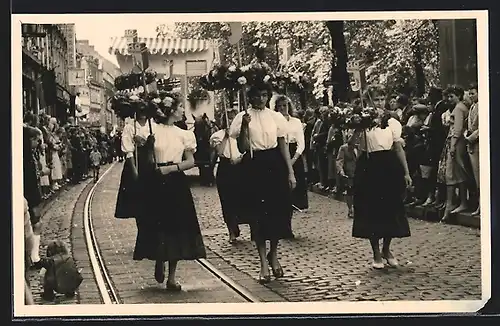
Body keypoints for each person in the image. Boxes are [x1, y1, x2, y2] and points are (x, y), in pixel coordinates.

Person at [133, 94, 206, 291]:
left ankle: (172, 277)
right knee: (158, 223)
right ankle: (159, 258)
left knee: (176, 226)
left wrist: (171, 169)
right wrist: (143, 145)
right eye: (180, 107)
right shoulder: (152, 130)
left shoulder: (184, 134)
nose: (183, 111)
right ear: (171, 110)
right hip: (155, 181)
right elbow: (144, 158)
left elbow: (190, 161)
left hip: (175, 182)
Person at [229, 83, 296, 283]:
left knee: (277, 213)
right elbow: (242, 146)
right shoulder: (243, 117)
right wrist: (244, 127)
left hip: (274, 165)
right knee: (258, 215)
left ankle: (273, 254)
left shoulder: (275, 117)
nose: (261, 99)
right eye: (257, 96)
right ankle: (262, 262)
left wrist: (290, 172)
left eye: (264, 95)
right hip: (254, 165)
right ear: (250, 97)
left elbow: (283, 145)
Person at [352, 85, 412, 269]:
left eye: (381, 99)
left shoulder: (391, 121)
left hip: (388, 165)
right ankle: (376, 252)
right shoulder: (362, 122)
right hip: (369, 166)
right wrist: (359, 127)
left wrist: (406, 172)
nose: (378, 103)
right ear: (368, 101)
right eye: (375, 99)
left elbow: (398, 147)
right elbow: (352, 144)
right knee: (372, 210)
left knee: (391, 208)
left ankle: (387, 248)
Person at [210, 107, 244, 243]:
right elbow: (219, 152)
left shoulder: (242, 134)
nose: (231, 121)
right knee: (227, 200)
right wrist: (226, 135)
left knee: (242, 199)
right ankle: (231, 229)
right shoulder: (217, 135)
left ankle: (241, 222)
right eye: (228, 118)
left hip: (241, 166)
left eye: (233, 118)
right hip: (226, 167)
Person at [114, 110, 151, 222]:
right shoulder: (130, 127)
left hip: (150, 162)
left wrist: (145, 142)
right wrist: (134, 169)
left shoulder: (152, 125)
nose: (143, 113)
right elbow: (128, 151)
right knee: (138, 200)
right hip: (136, 162)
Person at [274, 95, 309, 211]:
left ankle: (298, 202)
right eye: (279, 106)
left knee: (297, 175)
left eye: (285, 105)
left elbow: (301, 143)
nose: (282, 108)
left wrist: (294, 159)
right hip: (281, 149)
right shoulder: (275, 121)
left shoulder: (296, 121)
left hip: (294, 151)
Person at [440, 85, 470, 221]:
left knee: (454, 172)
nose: (449, 99)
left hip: (456, 143)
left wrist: (452, 146)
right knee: (458, 171)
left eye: (452, 96)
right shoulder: (462, 107)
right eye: (448, 96)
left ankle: (456, 203)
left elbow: (457, 130)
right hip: (458, 142)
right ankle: (459, 202)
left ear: (458, 96)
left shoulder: (458, 108)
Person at [336, 131, 359, 218]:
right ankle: (350, 209)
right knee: (350, 192)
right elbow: (339, 161)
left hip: (360, 173)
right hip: (349, 173)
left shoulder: (362, 147)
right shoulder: (344, 148)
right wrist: (341, 171)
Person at [465, 83, 479, 216]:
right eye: (469, 93)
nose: (471, 95)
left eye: (473, 93)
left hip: (477, 142)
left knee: (480, 174)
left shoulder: (481, 106)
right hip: (471, 143)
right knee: (475, 174)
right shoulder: (472, 107)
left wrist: (471, 137)